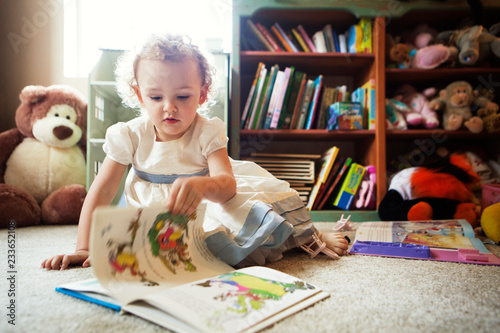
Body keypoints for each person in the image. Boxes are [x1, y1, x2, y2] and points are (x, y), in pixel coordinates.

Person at [41, 33, 348, 270]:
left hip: (208, 201)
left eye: (183, 96)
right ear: (139, 95)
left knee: (257, 226)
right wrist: (84, 246)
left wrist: (201, 186)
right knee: (143, 252)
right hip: (152, 213)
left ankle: (310, 239)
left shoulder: (207, 131)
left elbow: (227, 186)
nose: (169, 107)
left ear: (202, 94)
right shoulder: (128, 135)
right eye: (156, 96)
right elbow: (102, 189)